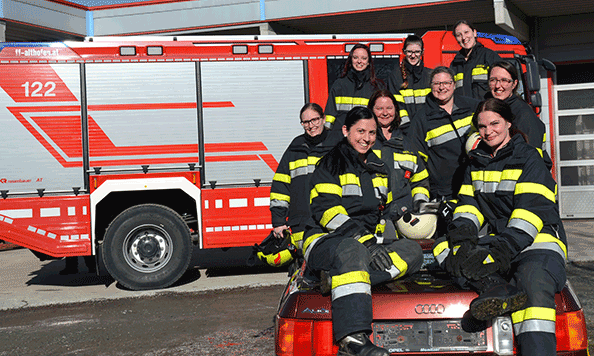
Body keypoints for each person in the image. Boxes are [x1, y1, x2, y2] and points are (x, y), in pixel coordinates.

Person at [433, 98, 567, 356]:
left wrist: (499, 252)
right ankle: (495, 287)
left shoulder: (530, 158)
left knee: (532, 284)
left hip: (537, 242)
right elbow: (468, 207)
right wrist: (462, 241)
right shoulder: (476, 162)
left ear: (508, 123)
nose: (488, 131)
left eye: (495, 123)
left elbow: (531, 212)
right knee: (444, 249)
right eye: (482, 126)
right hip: (500, 241)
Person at [302, 106, 423, 356]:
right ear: (346, 130)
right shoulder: (330, 164)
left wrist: (404, 219)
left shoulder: (379, 168)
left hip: (364, 246)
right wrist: (367, 243)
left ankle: (339, 279)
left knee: (412, 251)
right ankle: (352, 340)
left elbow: (383, 212)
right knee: (352, 249)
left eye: (371, 132)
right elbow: (328, 212)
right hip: (327, 241)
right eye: (360, 131)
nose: (366, 138)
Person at [269, 103, 341, 251]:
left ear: (323, 119)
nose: (311, 125)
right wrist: (278, 221)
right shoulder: (296, 147)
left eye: (314, 120)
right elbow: (281, 186)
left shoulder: (337, 145)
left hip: (332, 222)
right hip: (301, 223)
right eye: (306, 122)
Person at [409, 67, 479, 212]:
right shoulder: (422, 118)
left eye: (446, 83)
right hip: (444, 191)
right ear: (431, 86)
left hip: (474, 184)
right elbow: (418, 159)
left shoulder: (472, 107)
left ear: (454, 85)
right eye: (436, 83)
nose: (442, 87)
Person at [368, 89, 430, 225]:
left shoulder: (407, 144)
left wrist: (419, 203)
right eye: (379, 108)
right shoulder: (366, 143)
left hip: (405, 216)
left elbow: (420, 181)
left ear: (396, 110)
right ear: (371, 110)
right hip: (373, 217)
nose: (385, 113)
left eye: (389, 108)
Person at [486, 61, 552, 166]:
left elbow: (532, 158)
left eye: (504, 80)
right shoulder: (487, 108)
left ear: (514, 84)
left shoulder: (523, 114)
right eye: (493, 80)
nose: (498, 86)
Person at [324, 43, 384, 131]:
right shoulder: (339, 84)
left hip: (366, 135)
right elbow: (330, 113)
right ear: (350, 60)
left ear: (368, 62)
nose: (359, 61)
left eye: (364, 58)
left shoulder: (377, 87)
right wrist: (327, 134)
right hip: (342, 135)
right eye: (355, 57)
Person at [387, 35, 433, 135]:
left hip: (428, 130)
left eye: (417, 52)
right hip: (404, 131)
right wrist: (408, 129)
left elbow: (434, 105)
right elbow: (396, 106)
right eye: (409, 52)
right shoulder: (395, 76)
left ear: (422, 52)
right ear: (404, 51)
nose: (413, 55)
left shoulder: (430, 75)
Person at [450, 20, 502, 100]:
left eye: (466, 32)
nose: (464, 37)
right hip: (463, 111)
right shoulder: (454, 64)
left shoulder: (489, 56)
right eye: (459, 35)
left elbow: (503, 86)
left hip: (485, 110)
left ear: (474, 33)